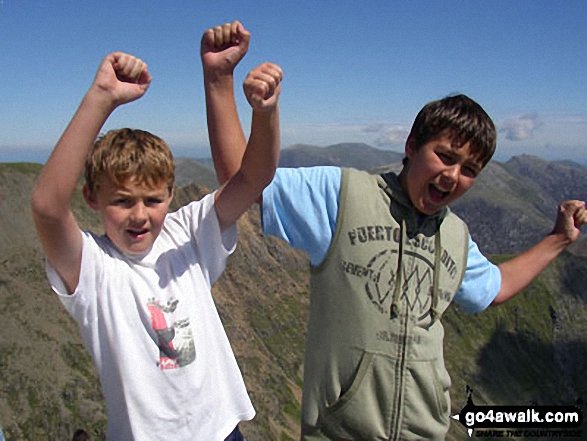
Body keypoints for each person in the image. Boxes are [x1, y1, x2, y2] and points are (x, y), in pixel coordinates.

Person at [202, 21, 587, 440]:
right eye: (444, 156)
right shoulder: (342, 195)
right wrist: (220, 80)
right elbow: (244, 181)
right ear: (410, 146)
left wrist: (558, 239)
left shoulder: (455, 235)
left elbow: (493, 288)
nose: (453, 175)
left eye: (470, 170)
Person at [31, 48, 283, 440]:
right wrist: (102, 96)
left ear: (171, 194)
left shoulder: (189, 233)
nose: (140, 215)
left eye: (153, 200)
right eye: (122, 201)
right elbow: (47, 208)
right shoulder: (93, 268)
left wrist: (264, 114)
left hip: (221, 432)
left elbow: (253, 179)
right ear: (92, 198)